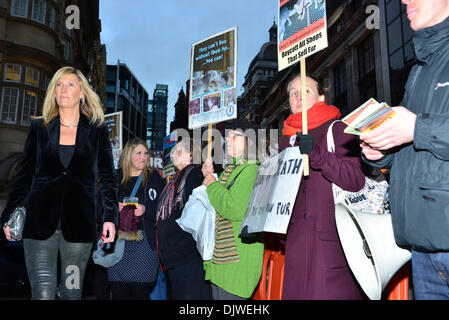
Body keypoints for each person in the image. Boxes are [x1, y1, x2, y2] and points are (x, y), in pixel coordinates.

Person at [1, 66, 118, 300]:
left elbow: (107, 178)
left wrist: (109, 218)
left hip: (79, 228)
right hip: (39, 225)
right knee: (42, 293)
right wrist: (8, 215)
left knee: (72, 292)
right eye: (59, 84)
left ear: (82, 93)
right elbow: (24, 176)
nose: (63, 89)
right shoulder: (39, 128)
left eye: (71, 84)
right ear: (54, 92)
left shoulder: (97, 131)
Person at [360, 0, 449, 300]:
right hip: (423, 249)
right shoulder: (420, 69)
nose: (404, 1)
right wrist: (383, 151)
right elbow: (419, 148)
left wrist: (415, 128)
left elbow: (420, 130)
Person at [280, 74, 366, 299]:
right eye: (293, 93)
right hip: (296, 249)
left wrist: (319, 156)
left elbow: (356, 180)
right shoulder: (285, 142)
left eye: (306, 90)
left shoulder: (337, 129)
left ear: (321, 97)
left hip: (330, 250)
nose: (298, 97)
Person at [202, 119, 263, 300]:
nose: (227, 139)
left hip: (236, 264)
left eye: (234, 136)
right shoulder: (232, 169)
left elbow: (233, 208)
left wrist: (212, 184)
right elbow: (217, 201)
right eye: (227, 136)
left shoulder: (251, 169)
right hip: (223, 262)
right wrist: (209, 176)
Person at [107, 138, 165, 300]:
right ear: (127, 155)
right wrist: (114, 208)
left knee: (140, 293)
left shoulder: (154, 178)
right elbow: (100, 205)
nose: (143, 157)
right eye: (138, 153)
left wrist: (145, 210)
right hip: (118, 244)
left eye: (145, 153)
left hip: (144, 245)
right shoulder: (114, 178)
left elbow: (163, 210)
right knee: (119, 294)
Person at [156, 137, 211, 299]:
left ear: (191, 155)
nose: (172, 153)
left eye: (177, 150)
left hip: (188, 258)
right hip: (174, 259)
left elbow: (197, 215)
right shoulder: (175, 180)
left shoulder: (194, 174)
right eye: (171, 151)